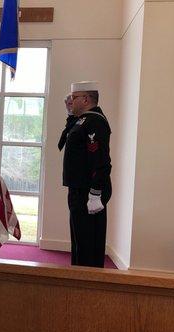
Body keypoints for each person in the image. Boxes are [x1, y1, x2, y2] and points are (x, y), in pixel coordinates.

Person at [62, 81, 112, 268]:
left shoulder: (96, 122)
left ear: (86, 99)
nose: (70, 101)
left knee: (89, 243)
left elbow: (101, 161)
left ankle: (88, 284)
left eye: (74, 98)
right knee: (79, 241)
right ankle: (78, 278)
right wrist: (69, 113)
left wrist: (95, 193)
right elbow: (70, 134)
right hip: (78, 189)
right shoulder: (84, 120)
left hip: (88, 192)